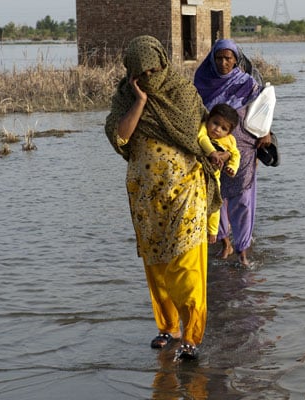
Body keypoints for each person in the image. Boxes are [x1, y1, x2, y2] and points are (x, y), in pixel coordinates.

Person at [104, 35, 222, 361]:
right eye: (141, 74)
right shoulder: (125, 99)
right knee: (157, 267)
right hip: (146, 201)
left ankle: (192, 336)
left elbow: (199, 134)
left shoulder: (182, 93)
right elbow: (121, 136)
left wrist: (216, 155)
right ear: (131, 73)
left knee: (185, 266)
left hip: (186, 193)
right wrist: (140, 101)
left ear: (163, 63)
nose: (149, 77)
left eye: (154, 69)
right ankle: (168, 327)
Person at [194, 39, 273, 267]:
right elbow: (195, 116)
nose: (223, 62)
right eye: (219, 58)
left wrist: (266, 132)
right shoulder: (201, 81)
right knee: (214, 196)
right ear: (212, 58)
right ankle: (224, 242)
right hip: (212, 150)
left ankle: (243, 250)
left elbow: (262, 112)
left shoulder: (246, 83)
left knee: (243, 200)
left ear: (236, 60)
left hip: (244, 150)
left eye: (228, 58)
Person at [197, 103, 241, 245]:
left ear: (229, 132)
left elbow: (235, 154)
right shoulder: (203, 127)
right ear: (209, 119)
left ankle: (213, 232)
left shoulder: (229, 140)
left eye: (223, 128)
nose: (217, 129)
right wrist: (212, 153)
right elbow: (201, 139)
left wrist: (232, 168)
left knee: (215, 204)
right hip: (197, 173)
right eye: (215, 123)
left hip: (215, 176)